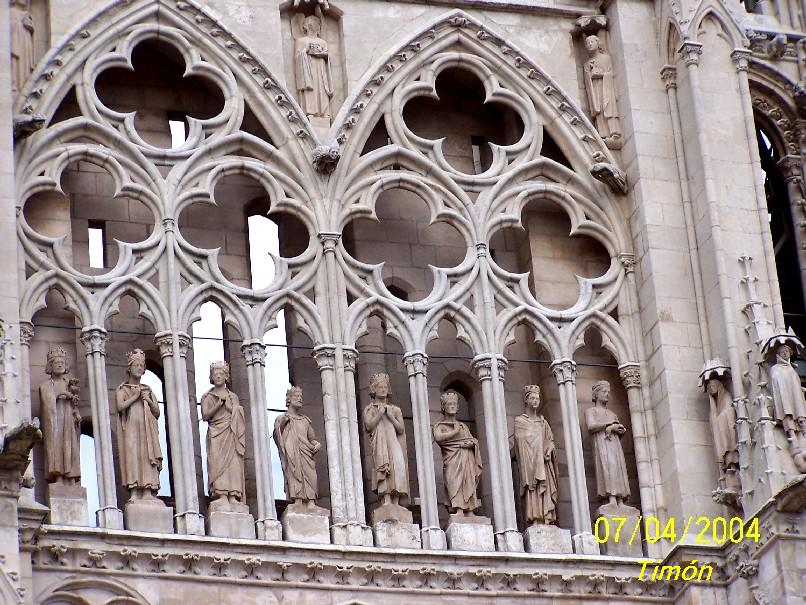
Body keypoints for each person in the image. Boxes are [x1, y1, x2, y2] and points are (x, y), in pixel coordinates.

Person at [116, 349, 162, 500]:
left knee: (147, 456)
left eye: (142, 365)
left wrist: (148, 400)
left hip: (147, 430)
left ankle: (148, 490)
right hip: (131, 429)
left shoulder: (147, 390)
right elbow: (120, 406)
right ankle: (135, 490)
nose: (139, 368)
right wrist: (135, 397)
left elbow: (157, 411)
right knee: (133, 456)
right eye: (136, 365)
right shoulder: (123, 389)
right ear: (129, 367)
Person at [201, 361, 246, 510]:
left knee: (233, 464)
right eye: (215, 374)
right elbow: (205, 416)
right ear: (211, 377)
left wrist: (228, 406)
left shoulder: (233, 397)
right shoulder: (208, 396)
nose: (218, 376)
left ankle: (233, 495)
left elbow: (238, 414)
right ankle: (221, 494)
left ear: (226, 377)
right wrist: (217, 405)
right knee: (217, 463)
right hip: (216, 434)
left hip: (231, 432)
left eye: (221, 374)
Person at [511, 385, 558, 525]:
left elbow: (550, 440)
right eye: (532, 398)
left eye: (537, 398)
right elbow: (520, 440)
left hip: (544, 463)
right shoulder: (520, 421)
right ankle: (536, 519)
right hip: (531, 465)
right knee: (533, 488)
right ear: (526, 401)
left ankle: (547, 518)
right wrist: (538, 443)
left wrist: (549, 447)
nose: (536, 401)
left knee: (546, 488)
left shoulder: (544, 422)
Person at [432, 390, 482, 515]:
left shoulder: (463, 426)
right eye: (449, 404)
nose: (452, 406)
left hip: (467, 458)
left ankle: (469, 510)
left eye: (454, 404)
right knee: (453, 482)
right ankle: (458, 509)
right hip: (452, 460)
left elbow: (471, 440)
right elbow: (438, 438)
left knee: (468, 481)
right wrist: (454, 432)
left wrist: (472, 444)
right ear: (444, 407)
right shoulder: (440, 425)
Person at [363, 373, 409, 507]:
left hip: (394, 442)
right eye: (380, 387)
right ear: (374, 390)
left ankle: (396, 499)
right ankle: (386, 499)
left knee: (396, 467)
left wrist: (390, 415)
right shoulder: (370, 409)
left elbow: (400, 429)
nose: (383, 389)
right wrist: (380, 413)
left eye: (385, 387)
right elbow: (369, 425)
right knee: (383, 467)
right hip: (380, 444)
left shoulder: (395, 409)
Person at [38, 348, 81, 484]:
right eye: (56, 362)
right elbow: (46, 404)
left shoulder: (69, 385)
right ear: (50, 366)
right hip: (55, 423)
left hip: (68, 421)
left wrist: (76, 409)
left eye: (62, 362)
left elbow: (74, 405)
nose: (60, 364)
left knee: (71, 447)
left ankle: (71, 478)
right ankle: (59, 477)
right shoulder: (45, 386)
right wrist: (60, 394)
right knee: (56, 447)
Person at [585, 380, 630, 506]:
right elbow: (591, 426)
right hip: (602, 444)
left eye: (608, 392)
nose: (607, 395)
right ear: (596, 394)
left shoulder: (612, 413)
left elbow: (618, 428)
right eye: (604, 392)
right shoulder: (591, 411)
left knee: (618, 468)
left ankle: (621, 499)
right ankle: (611, 498)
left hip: (614, 445)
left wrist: (619, 429)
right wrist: (609, 425)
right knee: (607, 468)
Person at [273, 386, 320, 506]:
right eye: (296, 396)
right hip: (292, 453)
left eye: (301, 397)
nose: (300, 399)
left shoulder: (305, 420)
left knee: (310, 475)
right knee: (294, 473)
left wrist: (316, 444)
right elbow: (277, 436)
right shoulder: (281, 418)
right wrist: (283, 423)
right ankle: (297, 499)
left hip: (306, 454)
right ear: (289, 400)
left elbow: (312, 438)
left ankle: (310, 501)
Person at [582, 34, 621, 149]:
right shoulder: (587, 64)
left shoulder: (606, 58)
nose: (589, 45)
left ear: (598, 43)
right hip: (595, 90)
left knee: (608, 107)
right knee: (598, 111)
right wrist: (590, 75)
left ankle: (614, 134)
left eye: (591, 42)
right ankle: (603, 135)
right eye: (587, 43)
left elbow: (611, 73)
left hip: (606, 87)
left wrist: (602, 75)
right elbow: (587, 78)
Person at [294, 14, 334, 118]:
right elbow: (298, 56)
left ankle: (324, 112)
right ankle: (310, 112)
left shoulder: (322, 42)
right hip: (307, 69)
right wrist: (306, 51)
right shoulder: (301, 41)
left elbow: (327, 55)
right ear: (307, 26)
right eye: (313, 23)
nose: (316, 25)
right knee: (310, 90)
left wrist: (319, 53)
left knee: (321, 89)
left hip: (320, 70)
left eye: (317, 23)